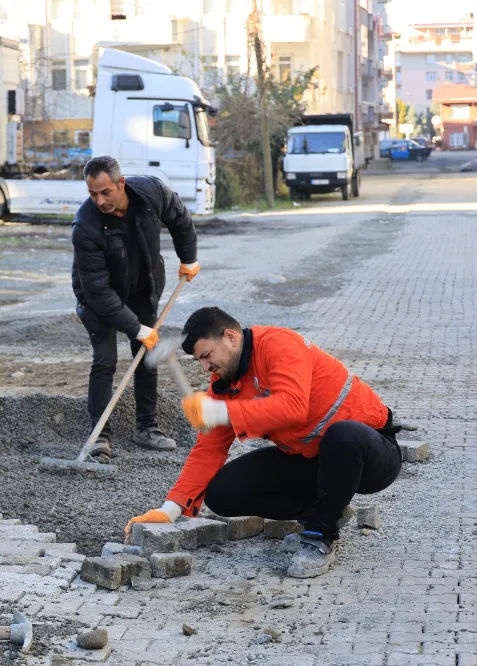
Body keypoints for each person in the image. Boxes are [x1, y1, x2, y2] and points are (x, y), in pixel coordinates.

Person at [125, 307, 402, 578]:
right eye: (199, 361)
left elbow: (293, 406)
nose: (206, 366)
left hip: (371, 454)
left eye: (207, 356)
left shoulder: (278, 345)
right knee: (222, 493)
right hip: (315, 462)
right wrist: (169, 510)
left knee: (343, 434)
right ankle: (326, 510)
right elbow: (208, 449)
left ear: (231, 337)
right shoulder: (225, 384)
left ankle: (320, 536)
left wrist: (221, 413)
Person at [71, 156, 199, 462]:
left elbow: (180, 219)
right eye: (92, 194)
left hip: (143, 288)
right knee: (105, 360)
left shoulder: (152, 193)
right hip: (98, 298)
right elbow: (98, 292)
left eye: (105, 192)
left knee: (146, 357)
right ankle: (100, 436)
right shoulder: (85, 227)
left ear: (121, 183)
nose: (99, 200)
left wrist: (188, 257)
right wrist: (136, 327)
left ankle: (146, 428)